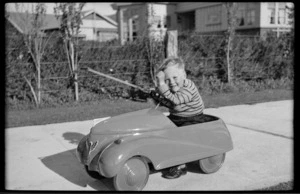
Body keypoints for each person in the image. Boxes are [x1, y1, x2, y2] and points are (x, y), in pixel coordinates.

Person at [150, 57, 205, 179]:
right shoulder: (172, 88)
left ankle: (181, 166)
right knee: (160, 129)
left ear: (184, 75)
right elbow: (168, 102)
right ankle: (162, 155)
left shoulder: (189, 87)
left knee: (181, 137)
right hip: (177, 117)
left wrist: (161, 84)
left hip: (193, 118)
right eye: (167, 80)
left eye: (175, 78)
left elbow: (176, 101)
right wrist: (155, 95)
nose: (171, 82)